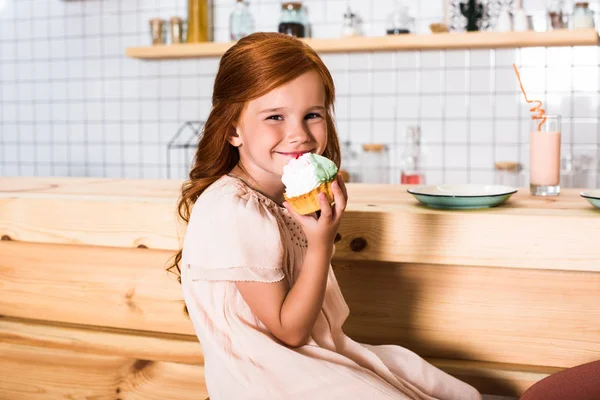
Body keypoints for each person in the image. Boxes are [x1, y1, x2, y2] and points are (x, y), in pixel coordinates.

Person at [169, 32, 481, 400]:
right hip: (268, 378)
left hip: (315, 356)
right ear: (233, 129)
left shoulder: (282, 198)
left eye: (312, 115)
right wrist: (320, 244)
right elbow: (289, 332)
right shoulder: (232, 208)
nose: (298, 134)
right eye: (275, 117)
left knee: (450, 390)